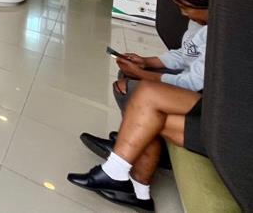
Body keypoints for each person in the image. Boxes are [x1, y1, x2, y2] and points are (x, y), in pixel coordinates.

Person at [80, 0, 215, 161]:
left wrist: (141, 74)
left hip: (199, 94)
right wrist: (146, 62)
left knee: (127, 87)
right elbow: (185, 54)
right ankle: (133, 140)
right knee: (126, 74)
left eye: (186, 8)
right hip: (189, 76)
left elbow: (192, 83)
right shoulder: (198, 22)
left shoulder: (217, 34)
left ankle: (136, 147)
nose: (183, 13)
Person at [68, 81, 203, 211]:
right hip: (211, 107)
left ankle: (117, 167)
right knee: (146, 94)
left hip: (214, 129)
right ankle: (139, 192)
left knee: (148, 106)